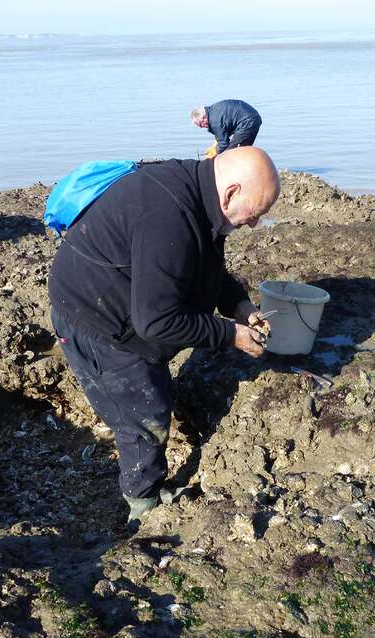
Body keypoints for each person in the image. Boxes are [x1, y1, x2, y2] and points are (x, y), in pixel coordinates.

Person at [48, 147, 280, 524]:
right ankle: (143, 501)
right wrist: (229, 334)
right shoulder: (168, 217)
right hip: (94, 318)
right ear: (232, 192)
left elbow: (206, 266)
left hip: (127, 301)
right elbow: (155, 322)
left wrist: (238, 305)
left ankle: (145, 488)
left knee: (151, 393)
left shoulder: (200, 196)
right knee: (143, 415)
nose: (254, 225)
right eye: (255, 213)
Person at [191, 100, 262, 157]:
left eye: (200, 124)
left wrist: (213, 153)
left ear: (203, 118)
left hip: (248, 122)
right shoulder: (212, 111)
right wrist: (214, 146)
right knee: (243, 150)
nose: (201, 127)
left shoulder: (215, 121)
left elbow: (223, 144)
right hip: (252, 118)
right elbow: (223, 132)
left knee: (230, 153)